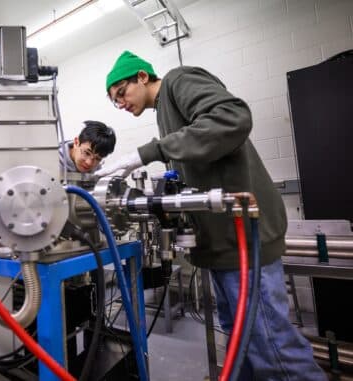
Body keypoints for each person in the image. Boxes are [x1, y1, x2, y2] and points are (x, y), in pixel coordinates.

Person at [97, 50, 326, 380]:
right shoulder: (164, 111)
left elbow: (232, 118)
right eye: (114, 101)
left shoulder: (178, 80)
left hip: (244, 240)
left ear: (142, 77)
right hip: (222, 246)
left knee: (274, 351)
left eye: (121, 93)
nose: (121, 104)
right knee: (240, 343)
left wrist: (150, 152)